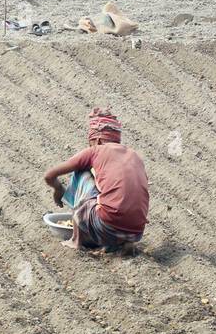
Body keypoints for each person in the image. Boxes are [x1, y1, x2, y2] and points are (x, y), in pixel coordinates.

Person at [43, 108, 148, 251]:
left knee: (81, 172)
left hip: (106, 226)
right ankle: (124, 242)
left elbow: (49, 176)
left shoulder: (95, 151)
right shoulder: (135, 156)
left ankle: (76, 240)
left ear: (97, 140)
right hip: (136, 232)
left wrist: (59, 189)